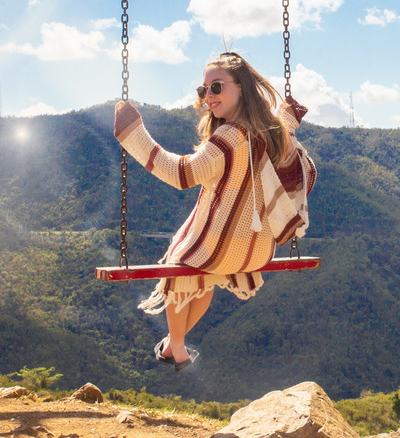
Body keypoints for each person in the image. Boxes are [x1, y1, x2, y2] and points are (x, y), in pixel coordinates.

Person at [113, 52, 316, 372]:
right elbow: (292, 143)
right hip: (257, 251)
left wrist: (134, 136)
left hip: (220, 248)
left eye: (217, 87)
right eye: (203, 90)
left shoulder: (229, 138)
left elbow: (180, 174)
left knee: (180, 263)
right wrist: (287, 118)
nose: (208, 96)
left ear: (242, 88)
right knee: (204, 280)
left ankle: (175, 346)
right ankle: (172, 346)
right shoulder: (272, 132)